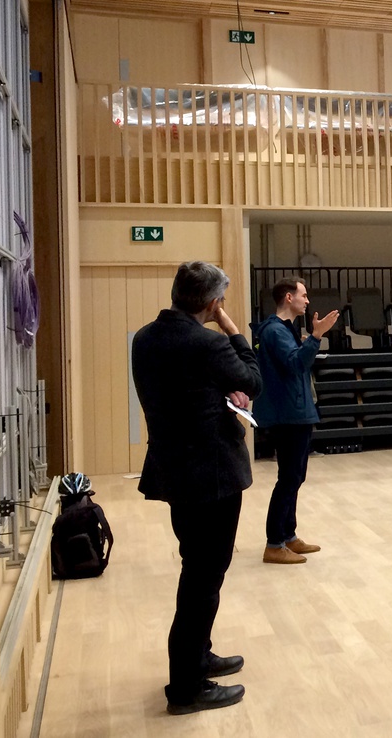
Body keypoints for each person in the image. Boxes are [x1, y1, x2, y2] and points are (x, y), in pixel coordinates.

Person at [131, 262, 261, 715]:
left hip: (174, 469)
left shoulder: (145, 338)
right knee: (203, 578)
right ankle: (185, 687)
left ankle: (198, 654)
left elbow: (179, 394)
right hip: (213, 474)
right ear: (213, 302)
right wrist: (232, 330)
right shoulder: (207, 341)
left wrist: (215, 398)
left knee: (197, 567)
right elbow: (253, 380)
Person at [253, 277, 340, 566]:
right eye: (303, 295)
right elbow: (294, 364)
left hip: (296, 411)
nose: (307, 300)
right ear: (288, 298)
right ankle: (274, 543)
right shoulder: (276, 331)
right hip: (287, 414)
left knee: (295, 477)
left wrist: (310, 339)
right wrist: (316, 337)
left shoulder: (285, 330)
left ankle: (288, 535)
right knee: (288, 478)